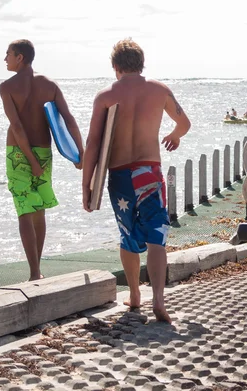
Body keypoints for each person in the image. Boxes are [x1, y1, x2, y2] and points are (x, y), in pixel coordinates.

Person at [82, 38, 191, 323]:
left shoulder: (105, 96)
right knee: (157, 235)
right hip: (149, 171)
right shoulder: (159, 90)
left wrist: (87, 184)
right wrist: (174, 136)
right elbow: (185, 123)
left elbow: (93, 144)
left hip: (119, 175)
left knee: (127, 235)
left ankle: (134, 294)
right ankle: (158, 299)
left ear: (115, 66)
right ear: (141, 64)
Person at [0, 39, 84, 281]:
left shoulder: (7, 87)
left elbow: (16, 126)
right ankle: (37, 271)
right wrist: (81, 153)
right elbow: (68, 119)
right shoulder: (49, 85)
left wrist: (30, 160)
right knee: (38, 210)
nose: (5, 58)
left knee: (25, 211)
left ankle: (35, 272)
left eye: (8, 54)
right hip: (44, 152)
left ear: (21, 57)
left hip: (17, 153)